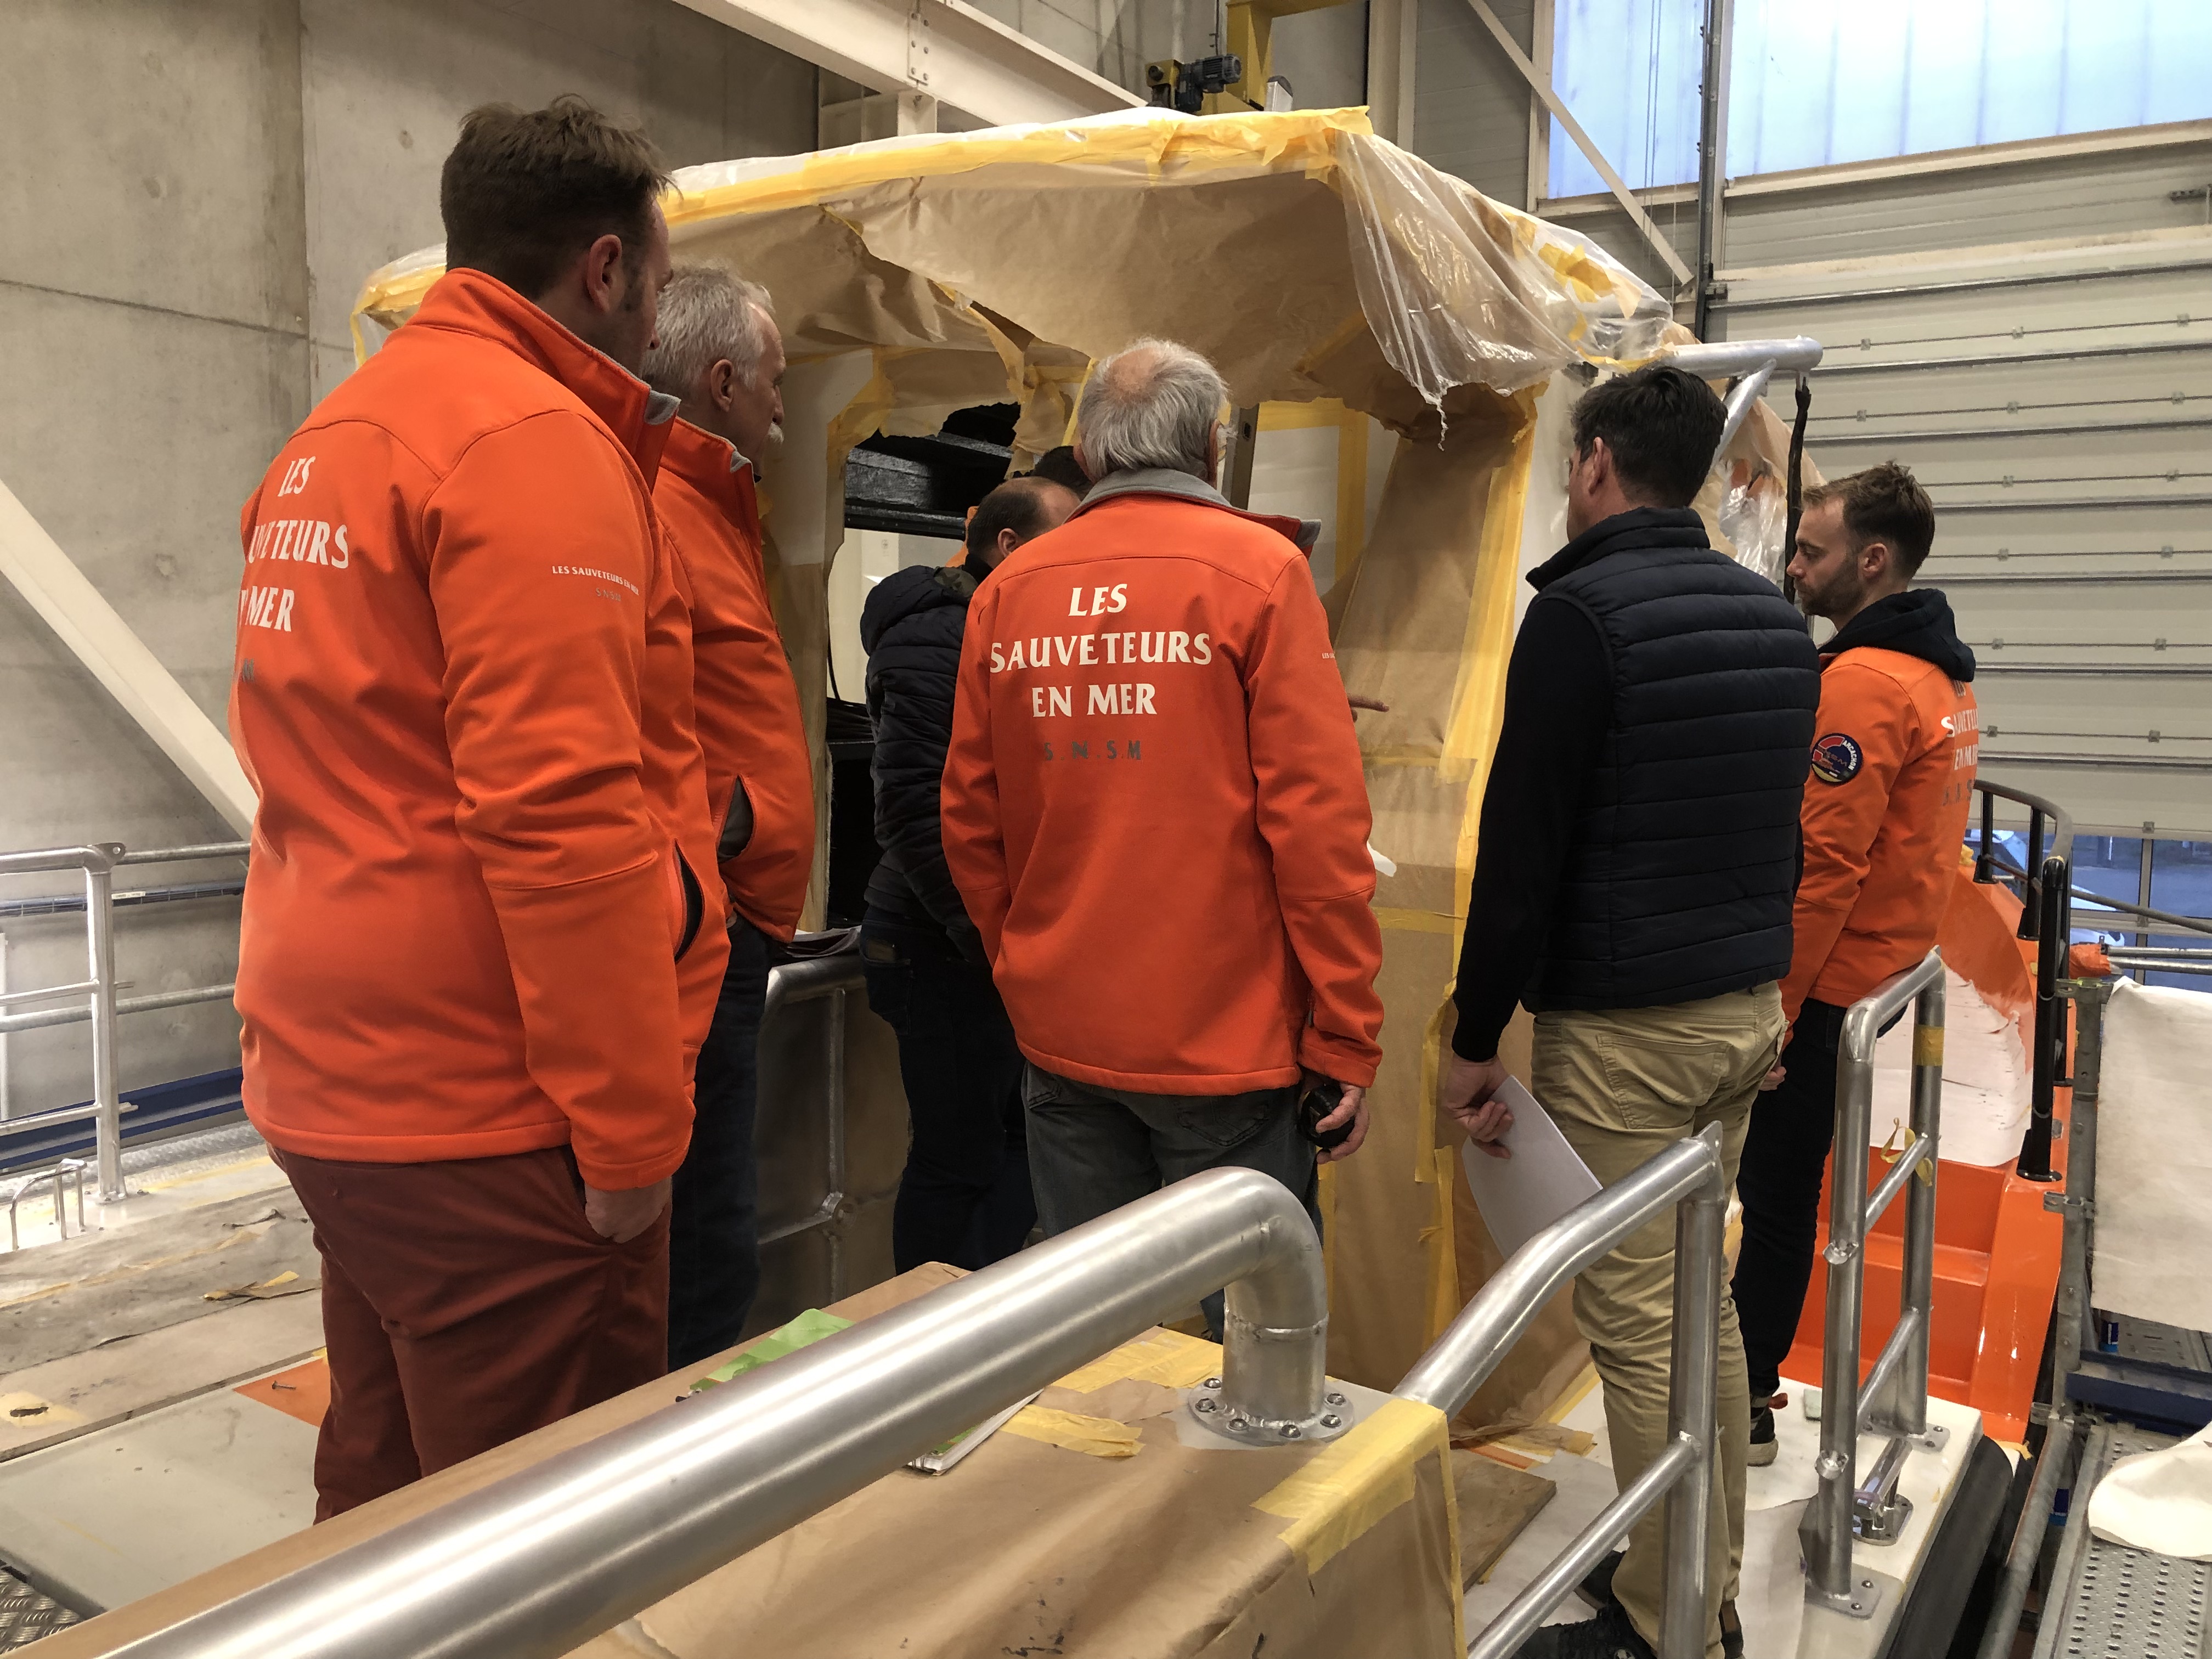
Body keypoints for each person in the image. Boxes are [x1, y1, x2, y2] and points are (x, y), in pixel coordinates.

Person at [229, 98, 725, 1517]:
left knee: (384, 1486)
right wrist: (631, 1141)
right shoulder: (532, 446)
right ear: (609, 267)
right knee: (536, 1533)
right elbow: (561, 820)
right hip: (486, 1108)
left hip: (338, 1079)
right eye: (662, 281)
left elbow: (311, 747)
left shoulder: (337, 437)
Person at [1437, 364, 1821, 1659]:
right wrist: (1767, 993)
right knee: (1698, 1314)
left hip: (1627, 1034)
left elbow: (1523, 849)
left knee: (1638, 1331)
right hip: (1737, 1015)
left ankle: (1669, 1623)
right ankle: (1699, 1575)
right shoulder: (1774, 620)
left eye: (1568, 462)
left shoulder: (1582, 618)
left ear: (1598, 462)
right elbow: (1781, 835)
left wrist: (1471, 1039)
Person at [941, 338, 1384, 1283]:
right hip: (1228, 1045)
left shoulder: (1007, 594)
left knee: (1086, 1326)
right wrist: (1346, 1027)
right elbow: (1318, 831)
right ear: (1214, 447)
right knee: (1251, 1345)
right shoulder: (1261, 575)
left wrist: (1025, 962)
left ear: (1093, 454)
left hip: (1064, 1031)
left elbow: (971, 824)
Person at [1732, 463, 1976, 1463]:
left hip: (1830, 988)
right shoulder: (1942, 673)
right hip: (1888, 975)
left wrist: (1774, 1013)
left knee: (1778, 1189)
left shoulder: (1863, 685)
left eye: (1813, 552)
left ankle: (1742, 1398)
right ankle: (1752, 1381)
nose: (1794, 569)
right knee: (1800, 1189)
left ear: (1872, 561)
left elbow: (1825, 864)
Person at [642, 265, 817, 1367]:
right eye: (774, 383)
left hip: (723, 918)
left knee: (711, 1236)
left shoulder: (713, 506)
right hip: (701, 932)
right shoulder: (656, 508)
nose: (784, 409)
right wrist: (725, 843)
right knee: (703, 1245)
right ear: (720, 382)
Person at [860, 476, 1079, 1270]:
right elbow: (918, 816)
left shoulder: (1016, 633)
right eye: (1066, 538)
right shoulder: (935, 637)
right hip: (937, 945)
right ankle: (932, 1348)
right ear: (1009, 546)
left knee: (1022, 1140)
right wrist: (993, 939)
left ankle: (983, 1329)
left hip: (987, 940)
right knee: (963, 1156)